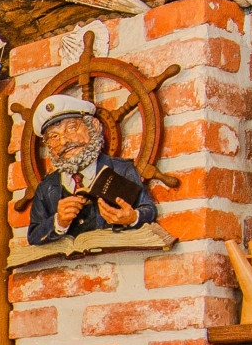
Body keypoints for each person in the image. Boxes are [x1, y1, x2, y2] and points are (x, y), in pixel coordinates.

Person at [24, 94, 155, 246]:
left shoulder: (121, 169)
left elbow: (148, 210)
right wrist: (58, 222)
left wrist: (132, 218)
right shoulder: (46, 188)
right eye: (54, 136)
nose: (64, 141)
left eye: (71, 128)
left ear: (94, 126)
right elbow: (34, 236)